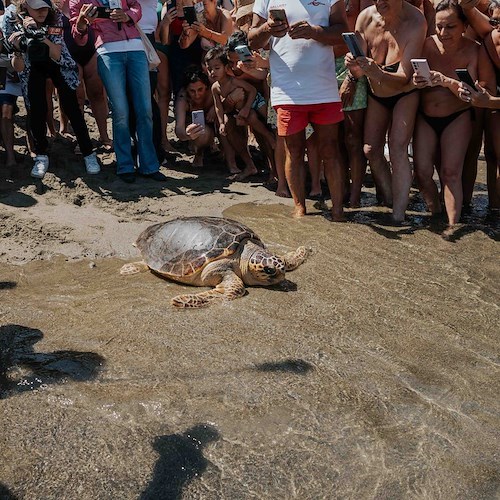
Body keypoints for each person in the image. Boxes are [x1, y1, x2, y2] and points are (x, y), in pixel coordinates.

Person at [249, 0, 349, 220]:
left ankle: (338, 210)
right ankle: (299, 207)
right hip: (287, 90)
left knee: (331, 150)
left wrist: (314, 32)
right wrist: (268, 28)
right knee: (293, 150)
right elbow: (251, 39)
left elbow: (343, 32)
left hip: (324, 88)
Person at [412, 0, 496, 234]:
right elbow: (410, 77)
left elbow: (486, 88)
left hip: (457, 116)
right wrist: (417, 81)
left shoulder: (475, 50)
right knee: (422, 172)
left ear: (463, 26)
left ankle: (451, 228)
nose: (443, 33)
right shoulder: (427, 45)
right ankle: (435, 214)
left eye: (450, 27)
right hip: (426, 116)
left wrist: (453, 84)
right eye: (439, 26)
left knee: (450, 173)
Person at [345, 0, 427, 223]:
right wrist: (353, 68)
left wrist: (374, 72)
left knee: (398, 147)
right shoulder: (365, 17)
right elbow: (358, 69)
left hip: (405, 91)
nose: (379, 1)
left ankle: (398, 215)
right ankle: (391, 198)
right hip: (377, 91)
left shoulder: (416, 21)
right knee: (370, 150)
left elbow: (403, 79)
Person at [70, 0, 167, 183]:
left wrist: (128, 15)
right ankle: (125, 165)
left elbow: (136, 6)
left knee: (145, 110)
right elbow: (78, 35)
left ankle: (149, 165)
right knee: (120, 111)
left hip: (137, 48)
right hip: (107, 51)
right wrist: (83, 21)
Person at [5, 0, 100, 179]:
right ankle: (41, 155)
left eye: (44, 7)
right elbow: (17, 67)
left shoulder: (54, 16)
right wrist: (18, 48)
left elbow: (57, 53)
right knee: (37, 109)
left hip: (58, 63)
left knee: (73, 108)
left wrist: (40, 35)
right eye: (37, 7)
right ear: (25, 5)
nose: (42, 11)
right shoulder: (11, 18)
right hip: (30, 66)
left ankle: (88, 153)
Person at [174, 67, 215, 167]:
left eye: (200, 90)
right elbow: (178, 129)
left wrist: (215, 107)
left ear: (206, 86)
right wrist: (187, 135)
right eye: (192, 91)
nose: (197, 95)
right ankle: (199, 153)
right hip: (197, 129)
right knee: (201, 131)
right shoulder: (183, 99)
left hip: (216, 124)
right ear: (186, 90)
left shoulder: (213, 91)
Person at [0, 26, 23, 171]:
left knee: (6, 113)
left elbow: (20, 68)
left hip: (9, 84)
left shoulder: (9, 45)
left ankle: (10, 156)